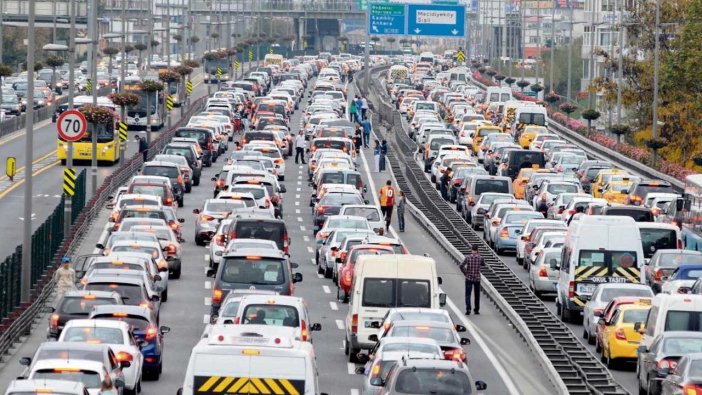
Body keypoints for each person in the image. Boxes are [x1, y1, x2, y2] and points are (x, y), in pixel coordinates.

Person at [460, 245, 484, 315]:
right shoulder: (480, 258)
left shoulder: (468, 257)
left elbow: (461, 266)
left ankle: (468, 309)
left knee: (468, 294)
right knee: (477, 295)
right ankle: (476, 310)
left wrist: (465, 273)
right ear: (477, 250)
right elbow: (483, 264)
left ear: (471, 249)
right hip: (477, 279)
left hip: (469, 278)